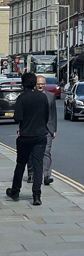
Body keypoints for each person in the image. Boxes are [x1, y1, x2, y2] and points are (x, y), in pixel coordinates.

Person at [5, 71, 49, 206]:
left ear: (23, 84)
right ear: (35, 83)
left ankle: (15, 190)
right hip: (40, 136)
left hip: (25, 136)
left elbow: (17, 118)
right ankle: (36, 195)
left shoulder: (22, 98)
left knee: (20, 164)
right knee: (38, 165)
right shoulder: (42, 98)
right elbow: (46, 116)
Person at [26, 76, 57, 186]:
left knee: (46, 152)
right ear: (35, 84)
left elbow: (53, 114)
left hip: (47, 129)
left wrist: (53, 129)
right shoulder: (30, 96)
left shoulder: (50, 96)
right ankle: (31, 173)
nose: (40, 86)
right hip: (33, 129)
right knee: (31, 153)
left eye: (42, 84)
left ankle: (47, 176)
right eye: (38, 84)